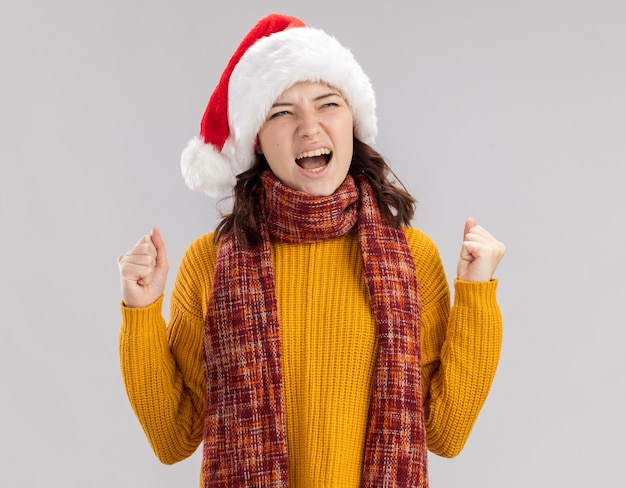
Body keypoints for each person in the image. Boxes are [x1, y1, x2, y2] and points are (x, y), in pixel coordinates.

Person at [118, 13, 505, 488]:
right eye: (282, 111)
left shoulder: (412, 257)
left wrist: (476, 295)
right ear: (258, 138)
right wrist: (141, 311)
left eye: (328, 104)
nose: (309, 127)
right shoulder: (212, 262)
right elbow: (172, 436)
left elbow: (446, 432)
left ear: (353, 122)